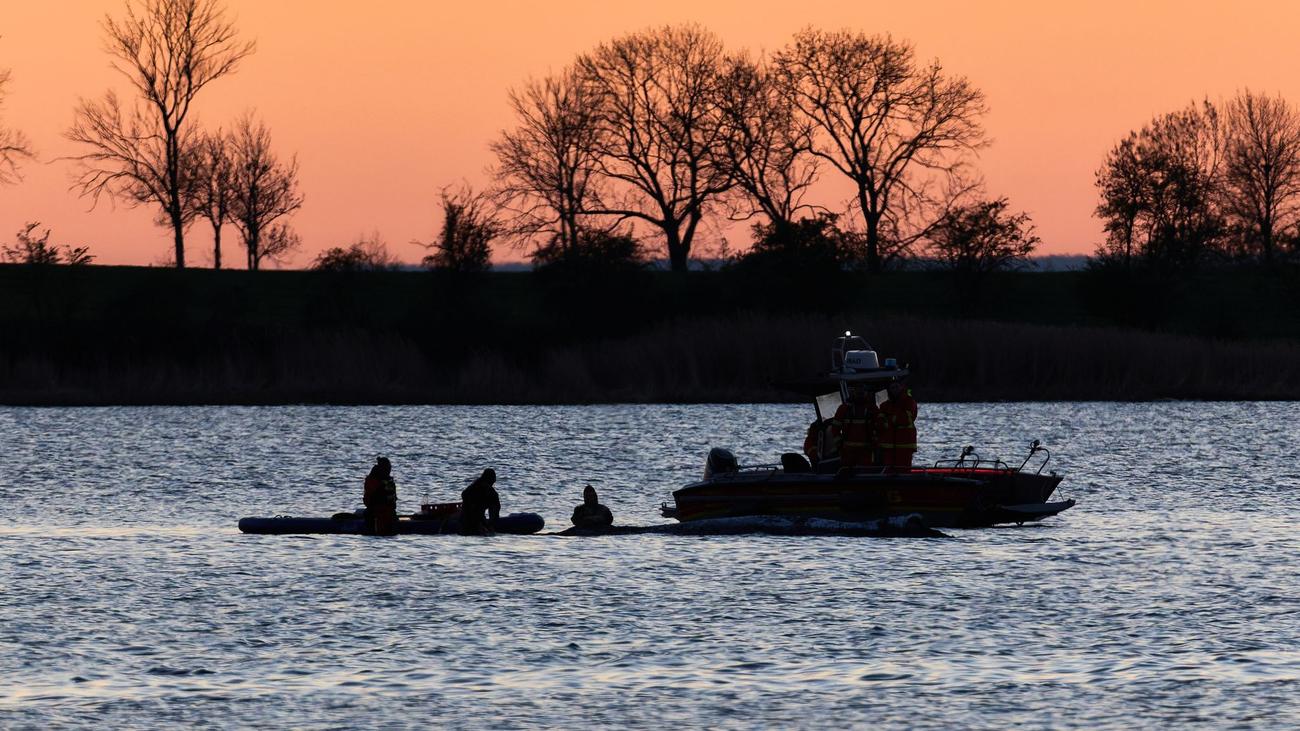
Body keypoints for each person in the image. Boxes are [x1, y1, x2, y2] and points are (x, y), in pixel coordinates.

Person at [831, 384, 878, 467]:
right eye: (858, 391)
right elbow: (835, 429)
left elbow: (879, 428)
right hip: (848, 451)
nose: (860, 393)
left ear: (866, 393)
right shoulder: (844, 408)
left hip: (866, 450)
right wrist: (840, 446)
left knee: (865, 474)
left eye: (862, 391)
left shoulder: (873, 409)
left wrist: (875, 444)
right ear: (853, 392)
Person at [877, 381, 919, 469]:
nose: (895, 390)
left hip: (905, 443)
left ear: (901, 387)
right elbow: (880, 423)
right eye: (892, 388)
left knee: (903, 469)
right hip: (889, 444)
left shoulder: (909, 401)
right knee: (888, 470)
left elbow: (905, 420)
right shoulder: (884, 405)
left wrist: (889, 420)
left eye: (896, 387)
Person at [362, 457, 398, 535]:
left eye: (390, 468)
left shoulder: (388, 481)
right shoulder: (374, 480)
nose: (389, 470)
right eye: (388, 468)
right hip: (378, 513)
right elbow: (370, 500)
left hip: (387, 512)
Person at [459, 468, 501, 535]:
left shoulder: (476, 487)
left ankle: (489, 523)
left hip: (470, 518)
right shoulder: (480, 489)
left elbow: (496, 508)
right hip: (470, 519)